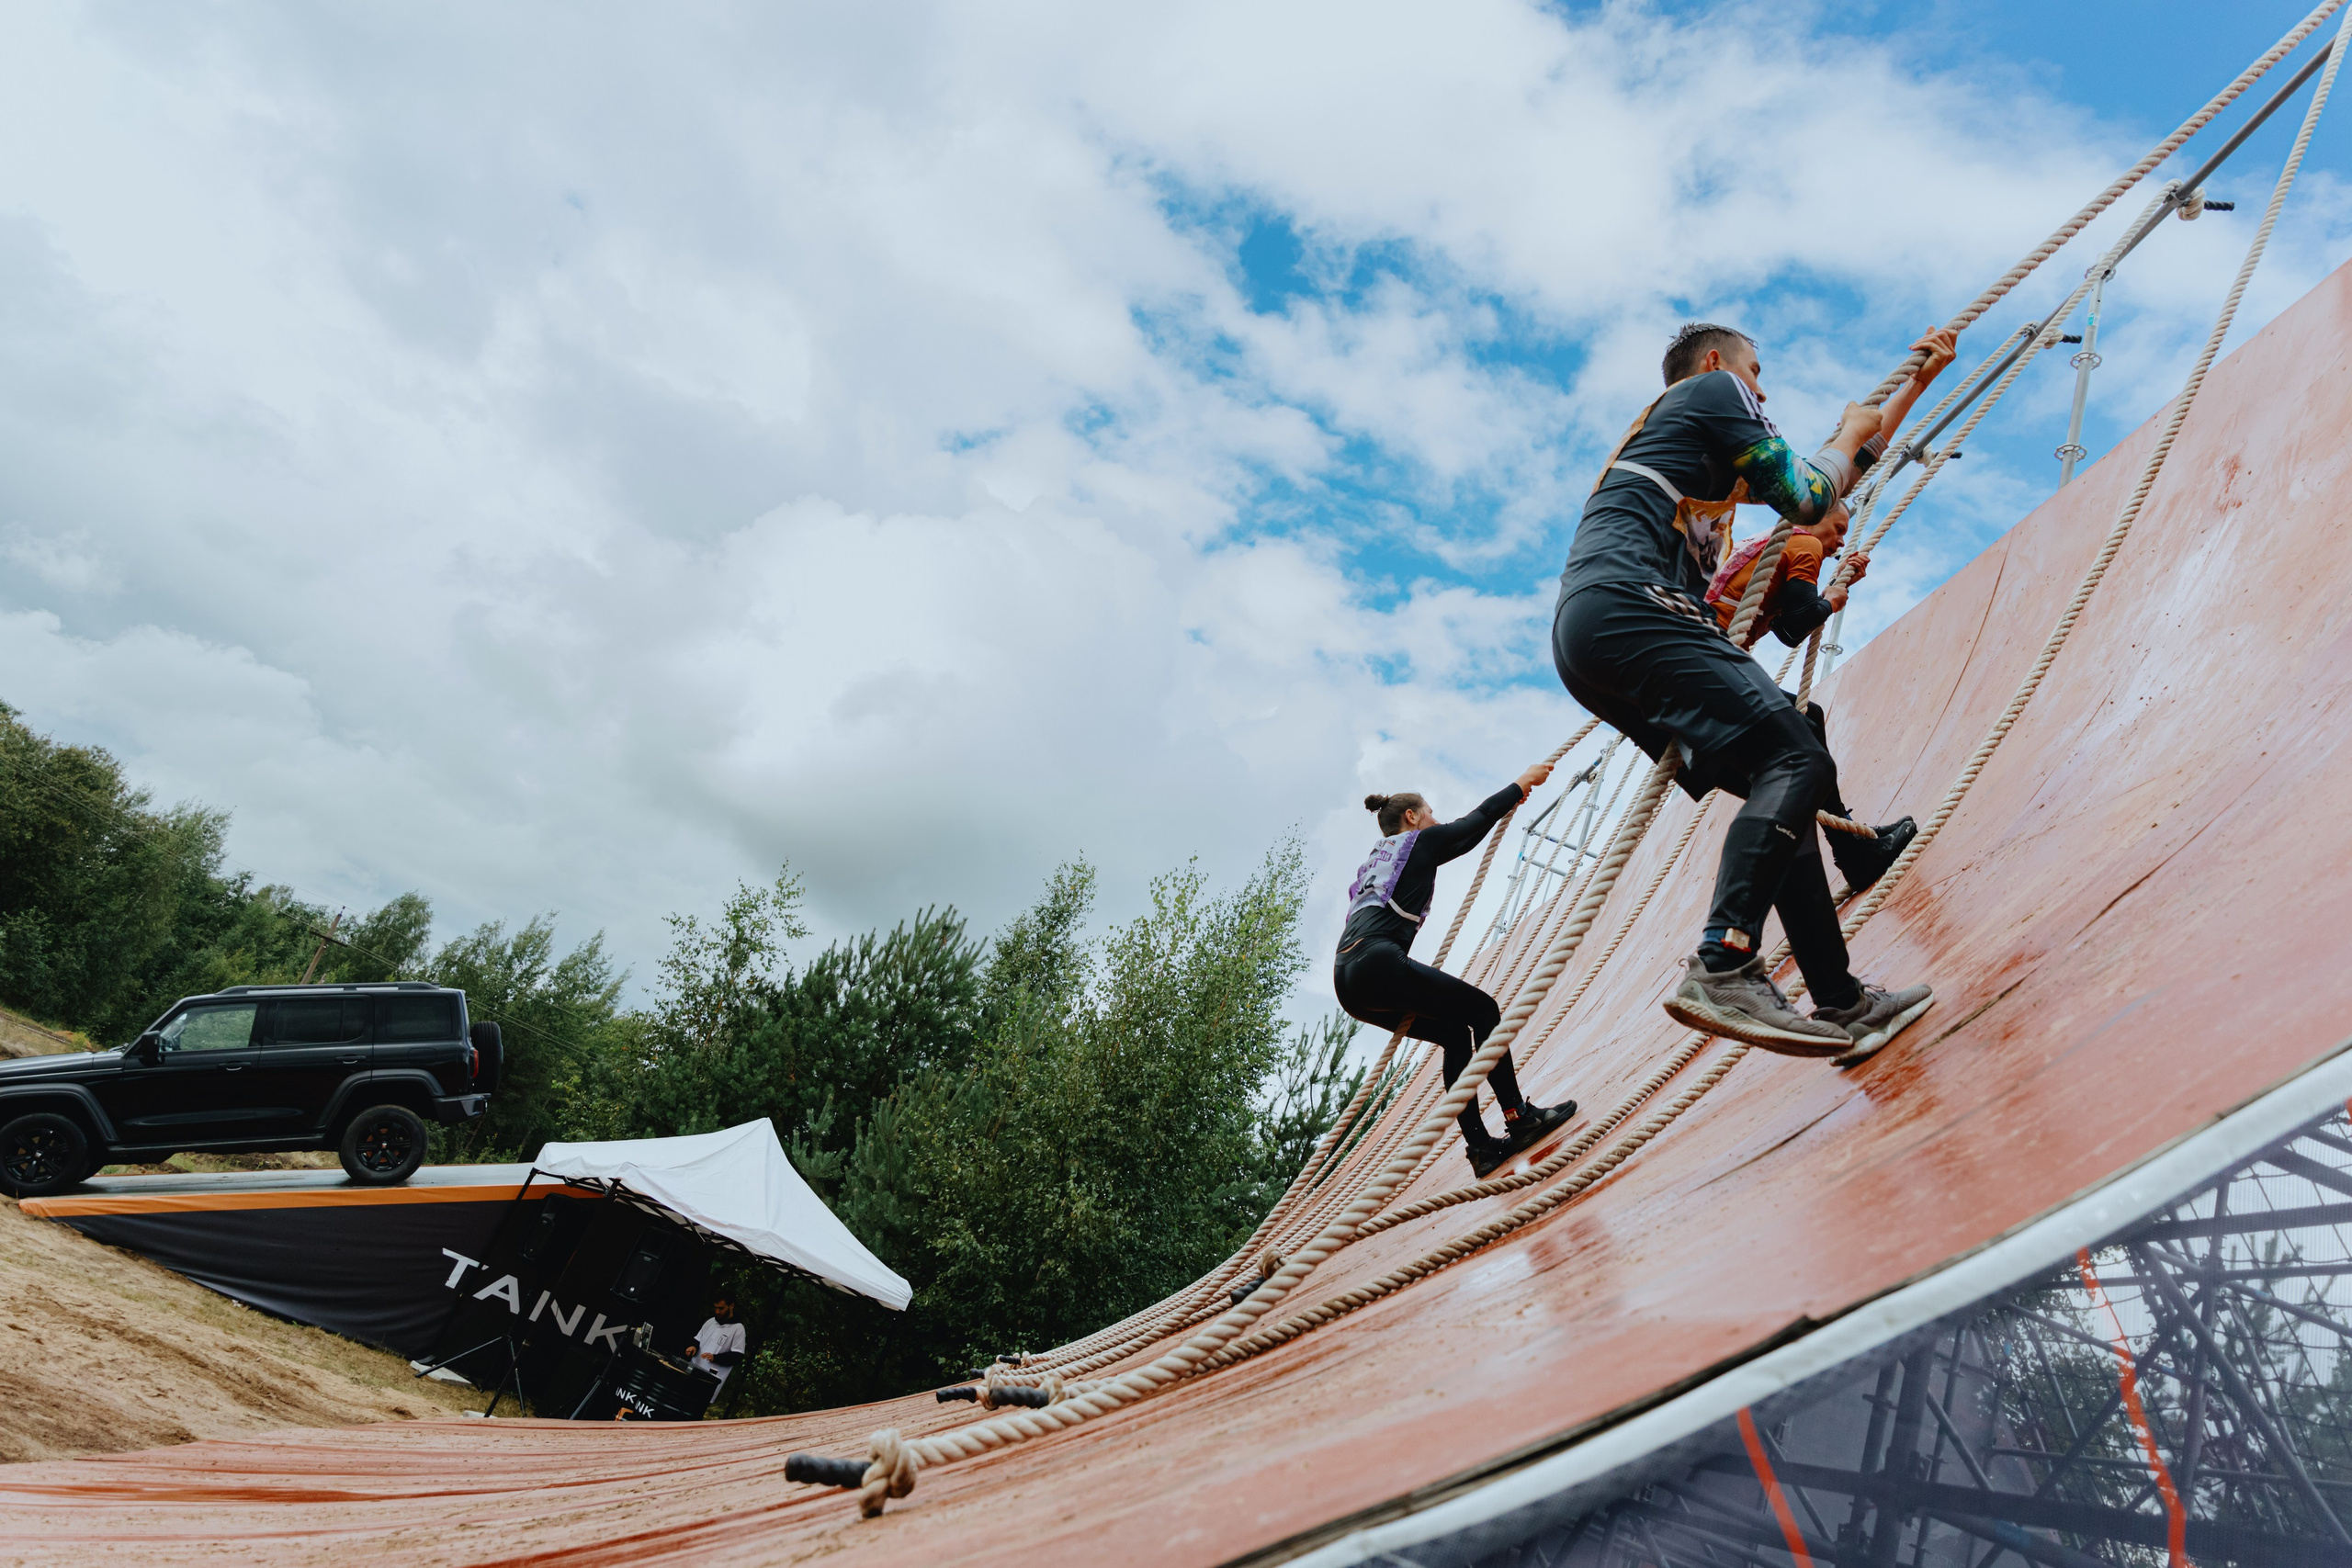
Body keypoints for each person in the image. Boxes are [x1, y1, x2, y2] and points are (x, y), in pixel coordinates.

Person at [1549, 321, 1939, 1057]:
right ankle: (1725, 961)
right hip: (1631, 606)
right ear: (1719, 363)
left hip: (1596, 635)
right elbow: (1804, 493)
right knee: (1800, 758)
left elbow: (1831, 484)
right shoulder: (1711, 388)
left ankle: (1843, 1001)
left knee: (1782, 785)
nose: (1762, 390)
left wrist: (1912, 385)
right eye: (1758, 372)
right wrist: (1849, 426)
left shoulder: (1704, 476)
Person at [1699, 326, 1958, 896]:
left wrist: (1918, 381)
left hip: (1703, 666)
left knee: (1802, 732)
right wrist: (1832, 597)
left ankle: (1853, 850)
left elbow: (1859, 456)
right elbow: (1794, 627)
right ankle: (1848, 856)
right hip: (1701, 668)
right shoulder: (1801, 543)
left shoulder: (1767, 546)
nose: (1840, 540)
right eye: (1839, 527)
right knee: (1802, 740)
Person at [1335, 761, 1580, 1177]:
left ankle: (1482, 1149)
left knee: (1453, 1034)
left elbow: (1464, 837)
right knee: (1484, 1011)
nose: (1436, 819)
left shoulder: (1376, 860)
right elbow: (1474, 822)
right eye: (1430, 812)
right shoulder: (1417, 842)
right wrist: (1522, 783)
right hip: (1377, 961)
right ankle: (1520, 1117)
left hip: (1347, 980)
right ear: (1412, 817)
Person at [683, 1295, 746, 1398]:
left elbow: (737, 1356)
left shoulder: (738, 1329)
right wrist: (693, 1347)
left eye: (721, 1308)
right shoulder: (711, 1321)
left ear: (731, 1306)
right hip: (692, 1371)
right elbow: (697, 1340)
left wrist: (716, 1358)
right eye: (715, 1308)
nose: (717, 1311)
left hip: (710, 1380)